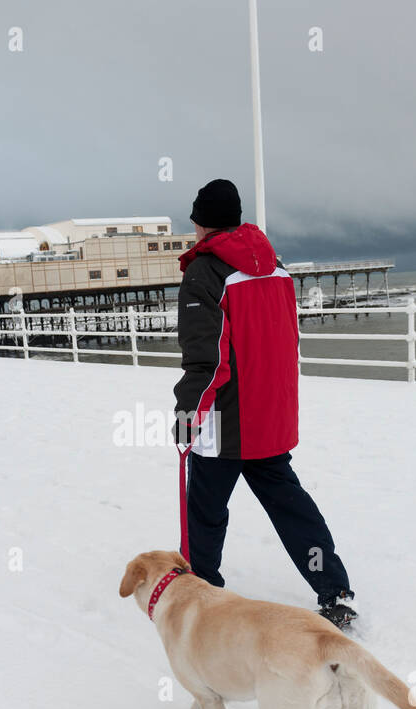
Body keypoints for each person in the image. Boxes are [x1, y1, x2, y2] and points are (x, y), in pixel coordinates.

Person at [173, 179, 357, 629]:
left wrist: (186, 414)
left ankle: (203, 591)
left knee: (206, 510)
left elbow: (207, 359)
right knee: (290, 507)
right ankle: (334, 591)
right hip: (269, 418)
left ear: (202, 223)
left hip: (224, 421)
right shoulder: (275, 267)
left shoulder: (206, 273)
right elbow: (284, 342)